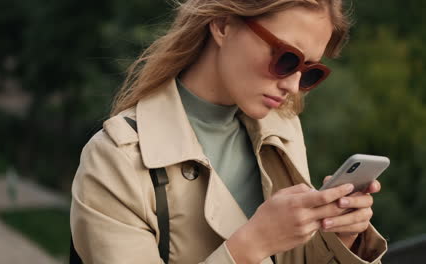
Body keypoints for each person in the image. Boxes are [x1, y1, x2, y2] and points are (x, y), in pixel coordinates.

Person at [70, 0, 387, 263]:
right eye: (286, 58)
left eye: (309, 72)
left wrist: (340, 238)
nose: (293, 86)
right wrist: (251, 245)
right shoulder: (115, 160)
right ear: (223, 25)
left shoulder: (282, 128)